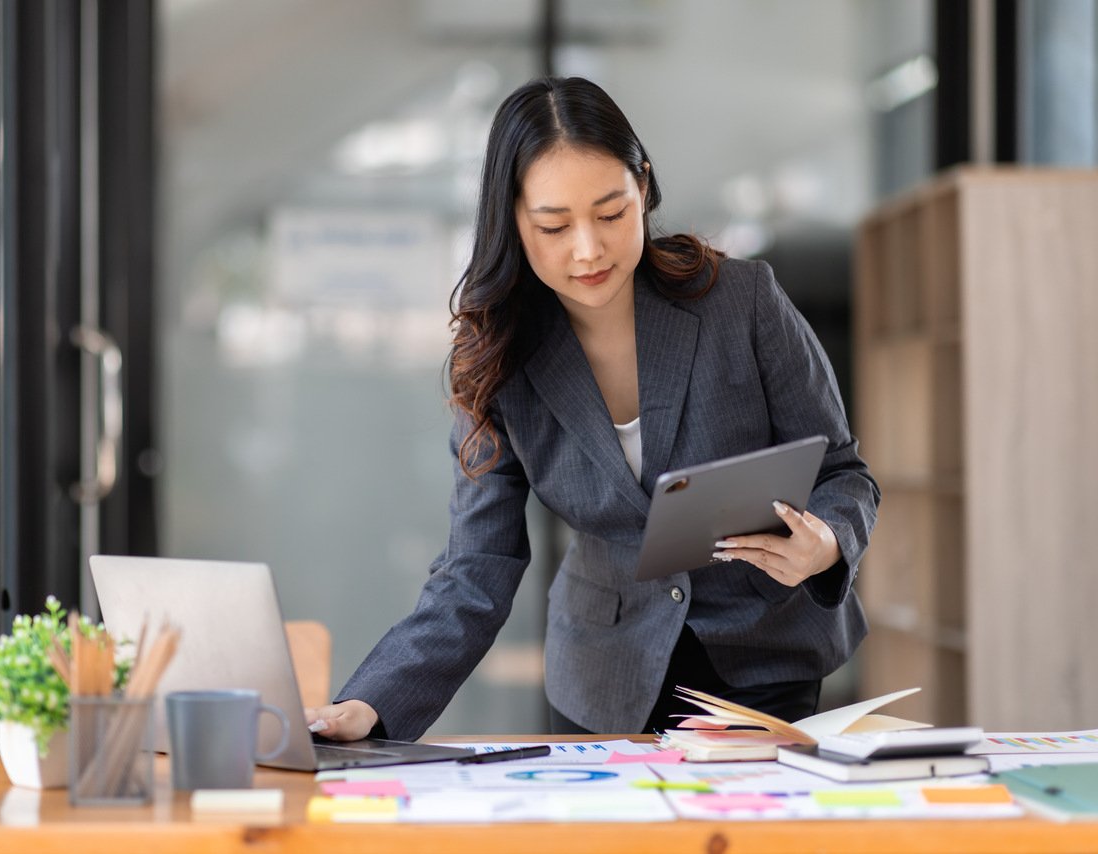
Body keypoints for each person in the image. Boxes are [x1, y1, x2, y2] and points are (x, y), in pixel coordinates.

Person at [305, 76, 879, 741]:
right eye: (554, 224)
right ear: (513, 219)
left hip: (763, 670)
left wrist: (826, 543)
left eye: (611, 214)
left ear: (644, 187)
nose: (588, 249)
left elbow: (842, 472)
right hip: (603, 678)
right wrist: (373, 703)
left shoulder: (741, 302)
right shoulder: (496, 361)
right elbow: (475, 570)